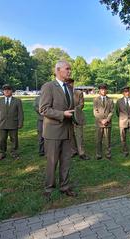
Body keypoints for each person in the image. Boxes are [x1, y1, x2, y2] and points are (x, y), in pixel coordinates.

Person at [39, 60, 76, 199]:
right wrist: (62, 114)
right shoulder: (48, 86)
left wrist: (75, 116)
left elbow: (69, 107)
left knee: (66, 161)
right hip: (53, 132)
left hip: (67, 131)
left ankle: (64, 187)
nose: (69, 71)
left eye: (70, 69)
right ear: (58, 70)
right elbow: (43, 109)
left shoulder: (69, 88)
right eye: (67, 69)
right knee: (52, 162)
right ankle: (48, 189)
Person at [0, 84, 24, 160]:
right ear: (3, 91)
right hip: (2, 124)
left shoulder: (17, 101)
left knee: (14, 139)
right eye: (5, 89)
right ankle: (2, 153)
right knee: (2, 139)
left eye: (8, 89)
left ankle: (14, 152)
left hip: (13, 123)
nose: (7, 91)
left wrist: (20, 123)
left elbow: (20, 113)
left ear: (12, 91)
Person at [68, 79, 90, 160]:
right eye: (67, 83)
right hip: (67, 117)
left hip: (77, 117)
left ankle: (81, 153)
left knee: (79, 135)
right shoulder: (63, 93)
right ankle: (73, 151)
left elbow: (82, 104)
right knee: (70, 135)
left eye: (70, 83)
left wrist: (74, 110)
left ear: (73, 83)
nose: (69, 85)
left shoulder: (79, 93)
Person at [93, 84, 114, 160]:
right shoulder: (96, 100)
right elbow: (95, 111)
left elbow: (112, 111)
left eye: (105, 89)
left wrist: (107, 119)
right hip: (99, 123)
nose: (103, 91)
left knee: (107, 139)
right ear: (99, 91)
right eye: (102, 89)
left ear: (107, 90)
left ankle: (108, 154)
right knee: (99, 139)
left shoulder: (110, 100)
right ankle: (98, 154)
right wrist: (101, 120)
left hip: (108, 123)